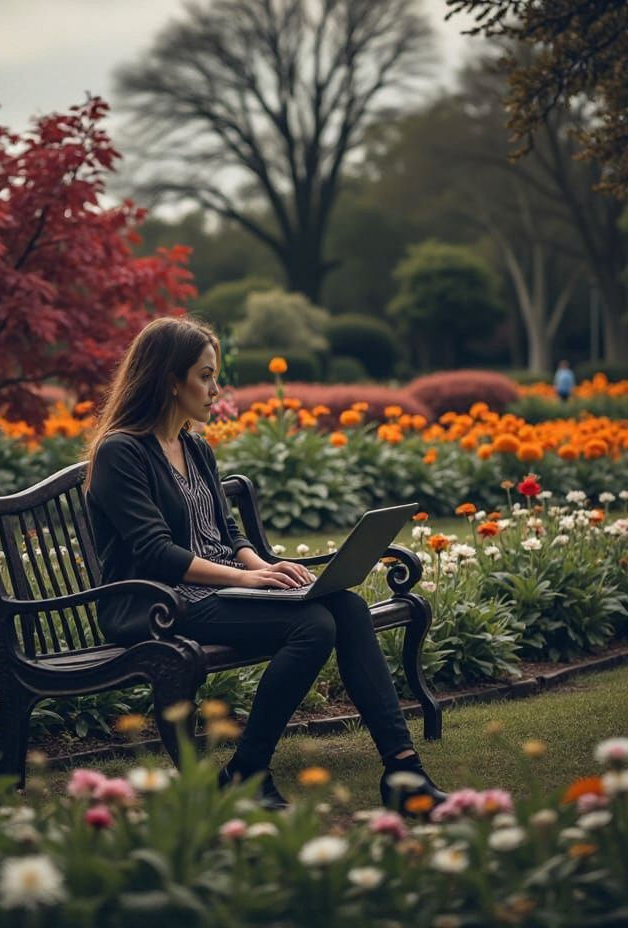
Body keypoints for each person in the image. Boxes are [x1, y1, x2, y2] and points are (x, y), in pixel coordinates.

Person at [84, 315, 447, 813]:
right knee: (314, 626)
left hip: (219, 592)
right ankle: (249, 769)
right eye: (205, 376)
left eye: (215, 376)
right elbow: (154, 552)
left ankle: (405, 772)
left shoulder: (194, 447)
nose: (215, 389)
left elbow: (228, 534)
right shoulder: (120, 453)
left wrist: (265, 567)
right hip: (159, 603)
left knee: (345, 607)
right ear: (170, 380)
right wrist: (247, 578)